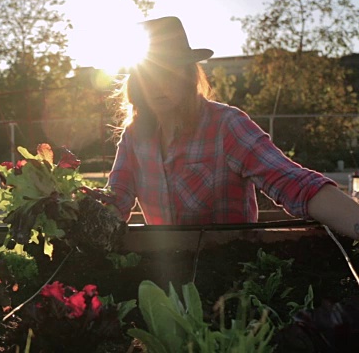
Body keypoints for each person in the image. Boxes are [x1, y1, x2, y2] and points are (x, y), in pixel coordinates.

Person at [106, 16, 359, 240]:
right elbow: (116, 199)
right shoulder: (134, 136)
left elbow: (293, 183)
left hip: (229, 268)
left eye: (168, 75)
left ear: (187, 75)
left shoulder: (225, 126)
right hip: (164, 271)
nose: (157, 87)